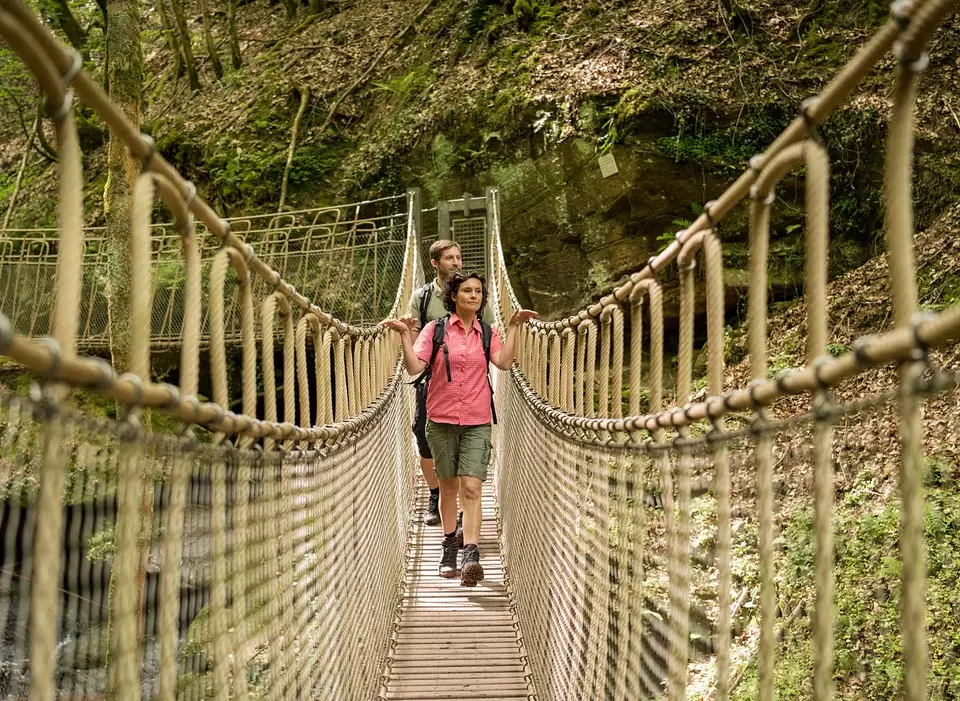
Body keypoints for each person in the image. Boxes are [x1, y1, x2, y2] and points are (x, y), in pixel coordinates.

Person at [383, 272, 536, 585]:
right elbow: (415, 368)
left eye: (478, 291)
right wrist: (403, 336)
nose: (474, 296)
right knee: (449, 487)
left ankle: (471, 554)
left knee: (472, 487)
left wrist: (515, 326)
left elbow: (504, 364)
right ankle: (449, 545)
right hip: (440, 421)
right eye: (467, 291)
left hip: (477, 421)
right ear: (453, 296)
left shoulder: (488, 333)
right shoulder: (434, 330)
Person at [405, 240, 496, 527]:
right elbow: (417, 335)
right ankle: (437, 493)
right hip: (432, 381)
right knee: (424, 437)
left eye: (459, 257)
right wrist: (406, 335)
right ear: (435, 263)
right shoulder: (422, 297)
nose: (456, 262)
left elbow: (490, 331)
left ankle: (460, 511)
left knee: (465, 454)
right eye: (449, 258)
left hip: (470, 385)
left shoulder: (472, 293)